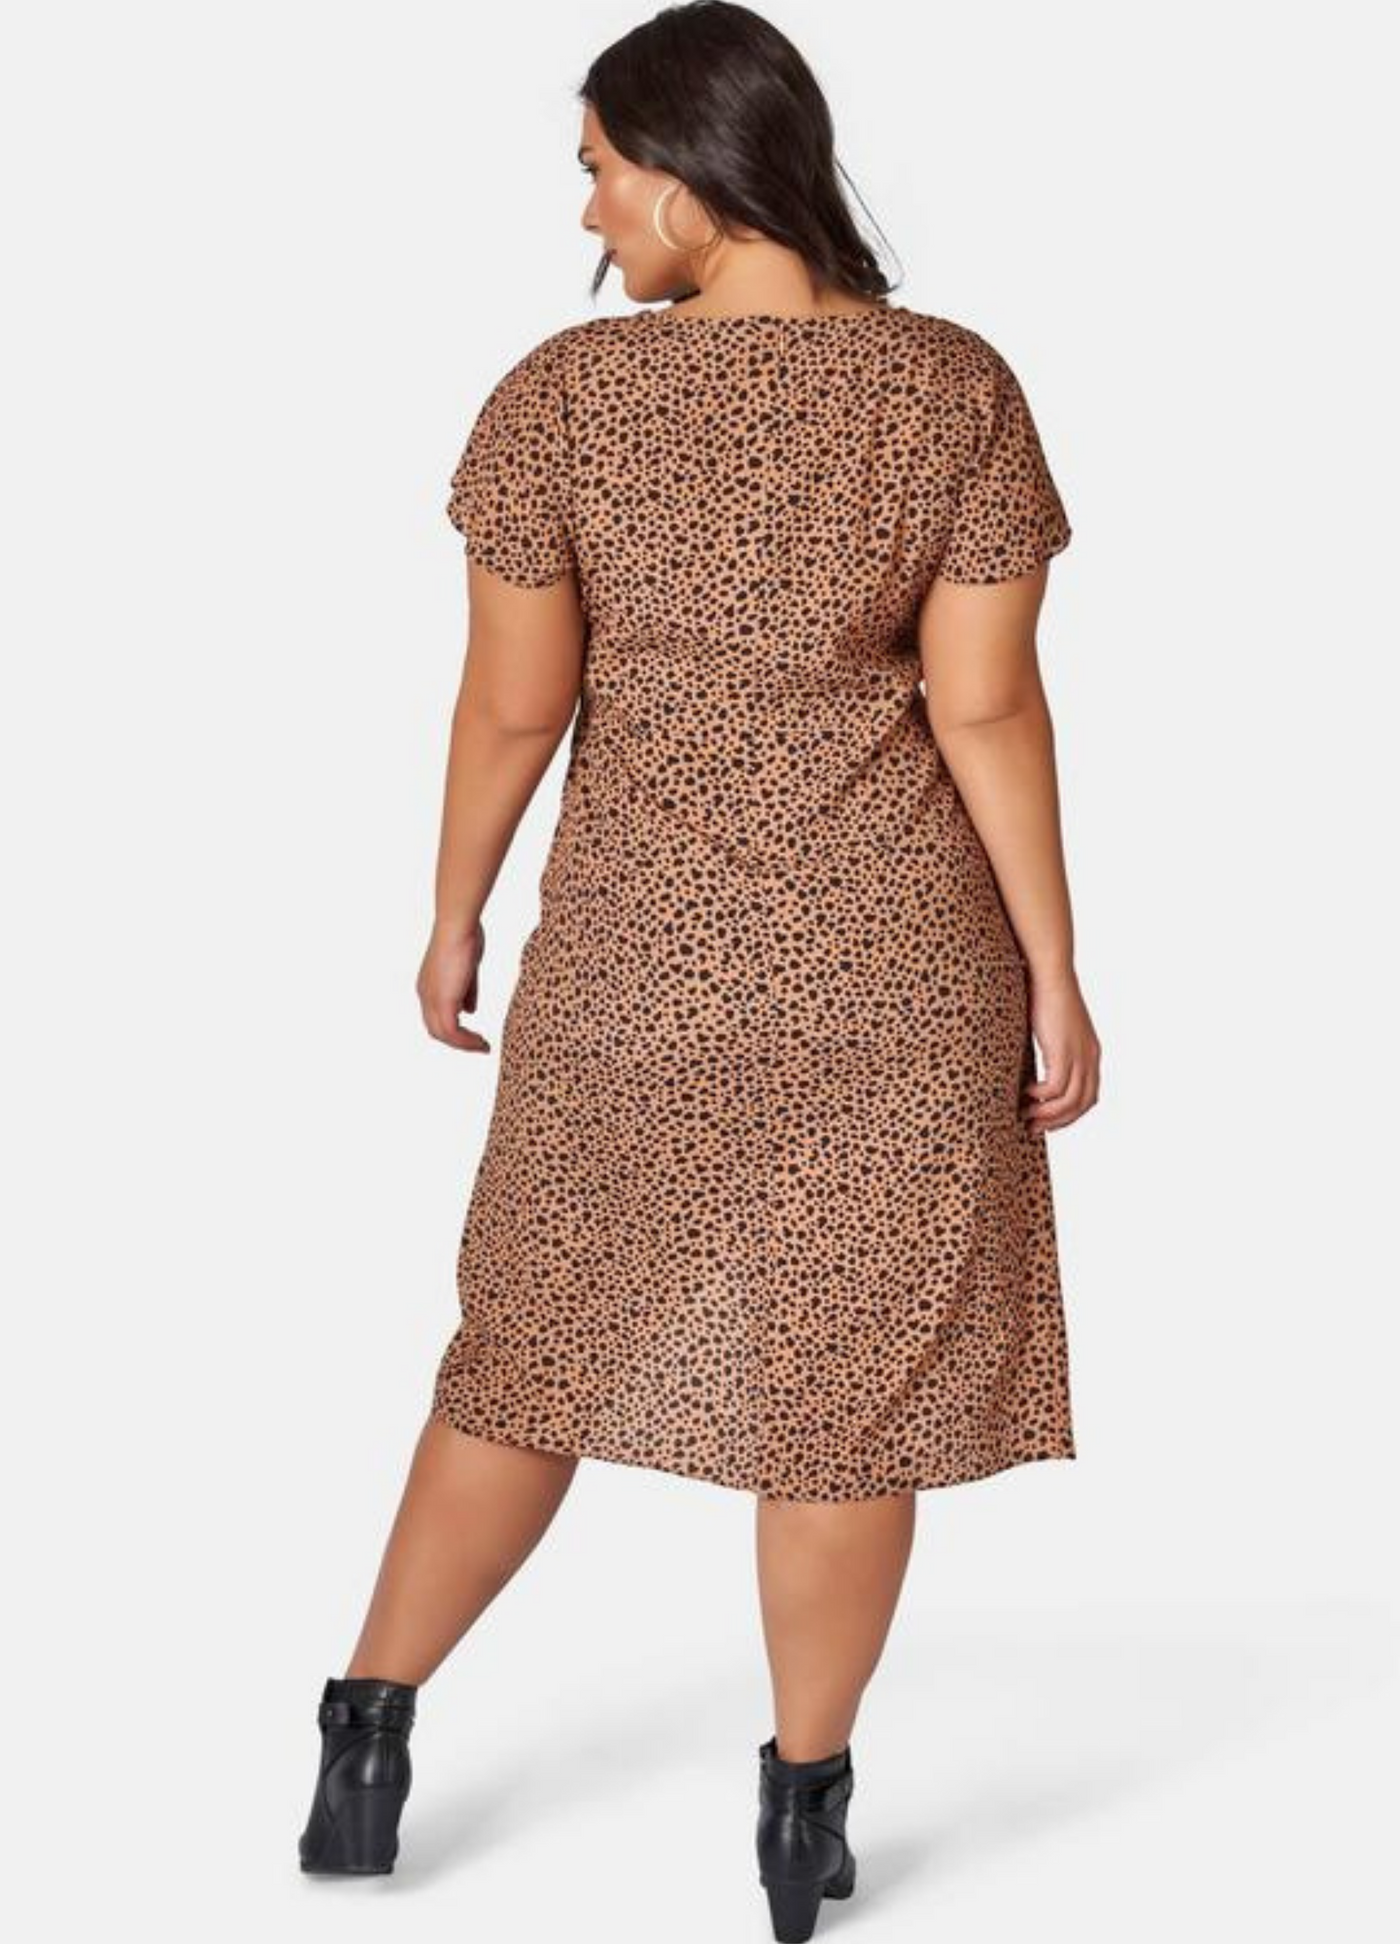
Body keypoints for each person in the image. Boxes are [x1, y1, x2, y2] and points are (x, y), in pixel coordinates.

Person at [296, 4, 1101, 1937]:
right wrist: (1057, 973)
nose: (586, 207)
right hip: (894, 978)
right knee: (849, 1394)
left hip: (629, 977)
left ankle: (366, 1734)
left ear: (687, 173)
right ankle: (804, 1814)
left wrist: (454, 910)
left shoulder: (564, 400)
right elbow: (988, 709)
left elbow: (513, 708)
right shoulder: (952, 388)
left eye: (596, 167)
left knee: (528, 1354)